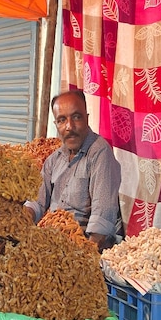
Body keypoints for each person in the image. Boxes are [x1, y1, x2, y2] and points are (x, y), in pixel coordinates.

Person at [23, 90, 122, 250]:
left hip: (84, 247)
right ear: (56, 124)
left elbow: (103, 215)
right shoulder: (54, 159)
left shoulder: (100, 152)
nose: (69, 126)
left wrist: (84, 258)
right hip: (53, 242)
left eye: (76, 117)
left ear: (87, 118)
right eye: (62, 120)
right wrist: (21, 218)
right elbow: (38, 202)